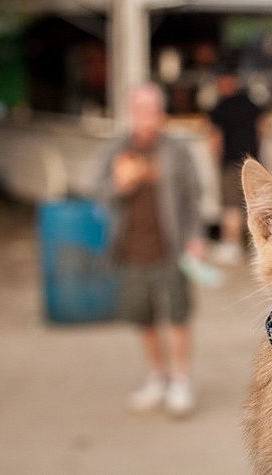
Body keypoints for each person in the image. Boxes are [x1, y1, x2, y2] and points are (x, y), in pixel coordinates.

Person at [97, 83, 205, 417]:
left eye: (153, 111)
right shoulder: (117, 149)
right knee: (143, 318)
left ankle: (181, 380)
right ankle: (157, 377)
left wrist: (196, 236)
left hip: (170, 247)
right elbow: (98, 189)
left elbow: (193, 194)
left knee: (177, 316)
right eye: (141, 111)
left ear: (161, 113)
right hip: (130, 248)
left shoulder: (176, 150)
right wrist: (119, 186)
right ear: (131, 113)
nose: (147, 118)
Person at [207, 60, 262, 264]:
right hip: (254, 164)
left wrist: (216, 160)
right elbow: (261, 129)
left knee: (230, 206)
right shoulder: (250, 103)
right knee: (254, 207)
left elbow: (215, 139)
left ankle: (231, 246)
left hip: (230, 163)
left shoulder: (219, 107)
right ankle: (256, 247)